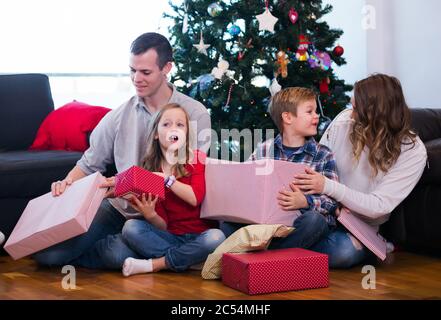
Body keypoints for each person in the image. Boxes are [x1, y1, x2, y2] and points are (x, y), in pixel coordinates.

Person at [33, 32, 212, 268]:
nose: (136, 78)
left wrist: (125, 183)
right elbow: (89, 164)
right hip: (119, 208)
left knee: (118, 254)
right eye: (132, 70)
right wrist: (66, 184)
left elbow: (189, 172)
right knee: (48, 256)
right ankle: (126, 248)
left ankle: (123, 249)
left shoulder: (194, 113)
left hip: (162, 219)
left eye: (145, 72)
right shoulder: (118, 115)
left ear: (166, 67)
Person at [294, 74, 427, 268]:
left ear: (375, 114)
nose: (351, 114)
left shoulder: (412, 151)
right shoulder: (343, 122)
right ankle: (288, 254)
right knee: (308, 221)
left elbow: (378, 206)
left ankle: (282, 252)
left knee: (345, 252)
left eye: (356, 109)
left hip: (356, 227)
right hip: (321, 211)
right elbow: (316, 166)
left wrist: (328, 186)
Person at [96, 103, 225, 275]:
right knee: (131, 227)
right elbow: (163, 226)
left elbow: (195, 198)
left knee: (216, 237)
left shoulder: (196, 159)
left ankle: (156, 264)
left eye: (180, 125)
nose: (174, 129)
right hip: (169, 237)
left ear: (186, 133)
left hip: (201, 236)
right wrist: (150, 214)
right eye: (166, 124)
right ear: (156, 134)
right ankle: (190, 259)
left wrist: (166, 180)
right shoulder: (151, 171)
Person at [221, 87, 339, 251]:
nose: (316, 116)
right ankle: (275, 252)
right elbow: (244, 182)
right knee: (225, 220)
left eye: (316, 111)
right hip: (266, 224)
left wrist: (306, 201)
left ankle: (266, 254)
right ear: (288, 117)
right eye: (310, 111)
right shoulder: (264, 149)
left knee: (315, 221)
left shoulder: (323, 154)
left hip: (299, 223)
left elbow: (332, 201)